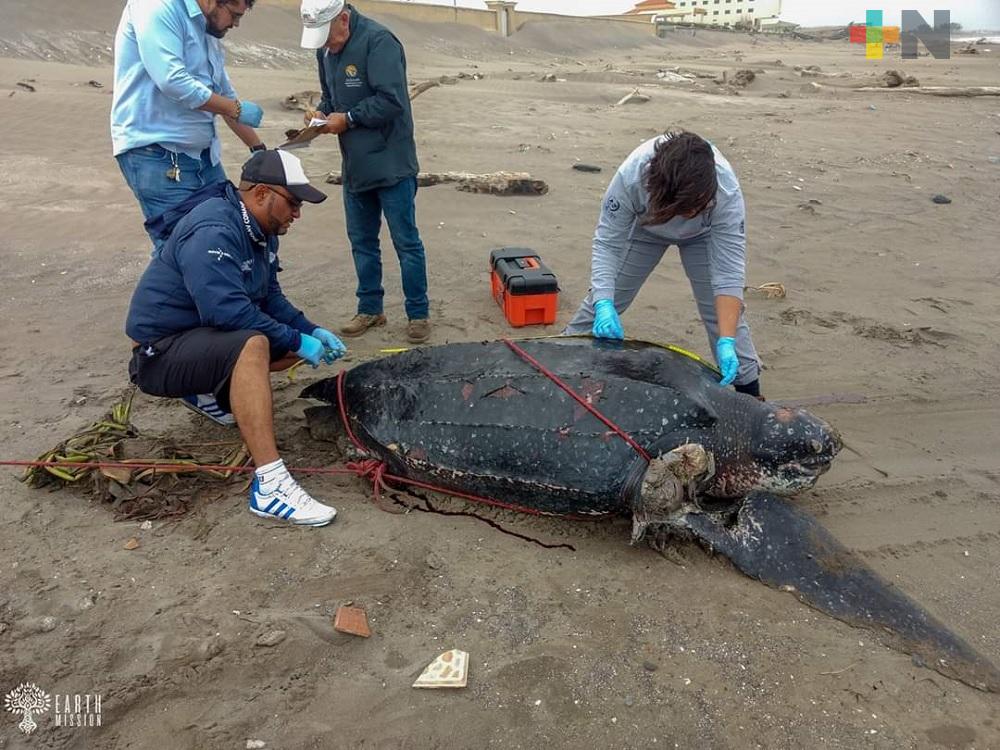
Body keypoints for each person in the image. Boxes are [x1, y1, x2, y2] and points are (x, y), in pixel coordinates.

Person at [125, 150, 346, 527]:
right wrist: (297, 339)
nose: (297, 214)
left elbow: (270, 297)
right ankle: (271, 485)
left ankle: (204, 393)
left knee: (290, 344)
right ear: (261, 194)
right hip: (156, 354)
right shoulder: (213, 229)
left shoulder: (261, 230)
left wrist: (310, 331)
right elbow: (225, 312)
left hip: (196, 337)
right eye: (293, 203)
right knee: (254, 344)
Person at [563, 131, 764, 399]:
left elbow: (728, 275)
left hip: (703, 235)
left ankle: (750, 394)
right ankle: (558, 362)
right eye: (683, 208)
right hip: (647, 226)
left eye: (695, 207)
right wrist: (603, 303)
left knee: (725, 321)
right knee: (601, 303)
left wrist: (726, 340)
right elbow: (608, 244)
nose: (687, 215)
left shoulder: (726, 192)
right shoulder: (631, 177)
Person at [299, 0, 431, 344]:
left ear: (343, 19)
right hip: (355, 165)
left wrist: (349, 119)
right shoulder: (325, 51)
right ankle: (370, 308)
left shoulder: (379, 41)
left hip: (392, 163)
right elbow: (331, 98)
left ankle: (418, 313)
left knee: (406, 242)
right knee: (361, 241)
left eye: (328, 37)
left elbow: (392, 100)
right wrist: (321, 115)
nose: (327, 46)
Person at [111, 0, 267, 248]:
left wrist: (258, 149)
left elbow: (223, 95)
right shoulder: (157, 6)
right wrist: (234, 108)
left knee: (224, 237)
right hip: (158, 155)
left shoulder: (207, 27)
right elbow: (172, 80)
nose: (236, 24)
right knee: (183, 249)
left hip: (204, 158)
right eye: (235, 15)